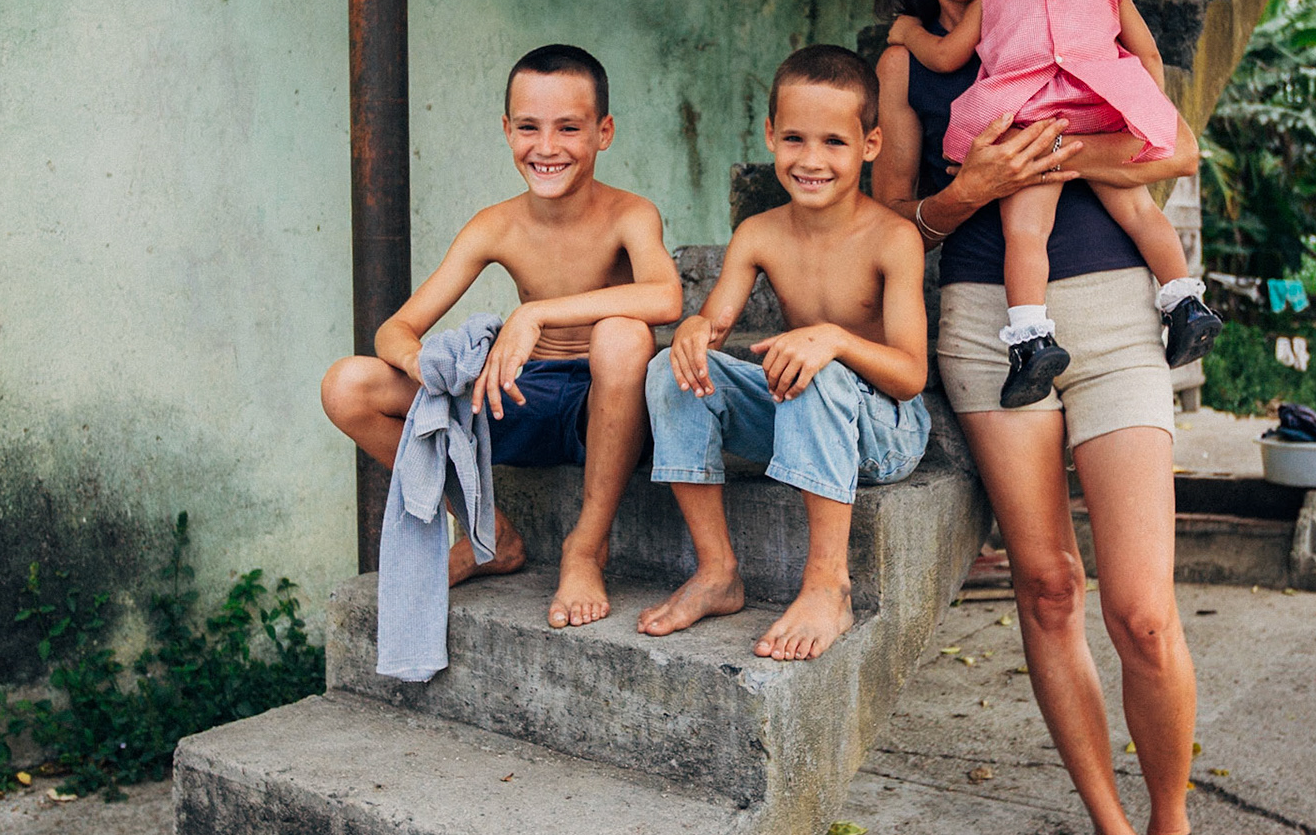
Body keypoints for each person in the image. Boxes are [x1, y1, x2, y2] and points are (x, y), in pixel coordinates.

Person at [871, 0, 1221, 835]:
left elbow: (1179, 145)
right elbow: (890, 215)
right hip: (988, 323)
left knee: (1145, 610)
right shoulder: (910, 60)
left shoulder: (1063, 0)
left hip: (1117, 318)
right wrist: (967, 190)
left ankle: (1175, 834)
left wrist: (1064, 147)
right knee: (1048, 583)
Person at [320, 44, 682, 630]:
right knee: (347, 386)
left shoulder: (630, 214)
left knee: (623, 336)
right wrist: (425, 367)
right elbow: (395, 328)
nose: (547, 147)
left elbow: (666, 297)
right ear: (507, 130)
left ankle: (585, 548)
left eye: (569, 128)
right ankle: (492, 532)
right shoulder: (496, 225)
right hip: (516, 398)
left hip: (606, 410)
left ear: (603, 132)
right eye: (529, 128)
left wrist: (537, 314)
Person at [640, 45, 931, 662]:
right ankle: (718, 571)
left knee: (817, 367)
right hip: (800, 413)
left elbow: (910, 376)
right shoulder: (760, 233)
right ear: (770, 135)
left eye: (834, 142)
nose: (811, 160)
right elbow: (713, 328)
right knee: (670, 368)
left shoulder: (893, 239)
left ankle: (829, 585)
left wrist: (838, 339)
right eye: (795, 139)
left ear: (870, 145)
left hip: (883, 431)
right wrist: (693, 329)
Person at [887, 0, 1220, 407]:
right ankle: (1185, 301)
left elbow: (947, 55)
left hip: (1032, 121)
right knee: (1139, 210)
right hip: (1103, 109)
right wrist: (1136, 107)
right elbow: (1149, 53)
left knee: (1024, 232)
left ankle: (1030, 338)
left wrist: (906, 32)